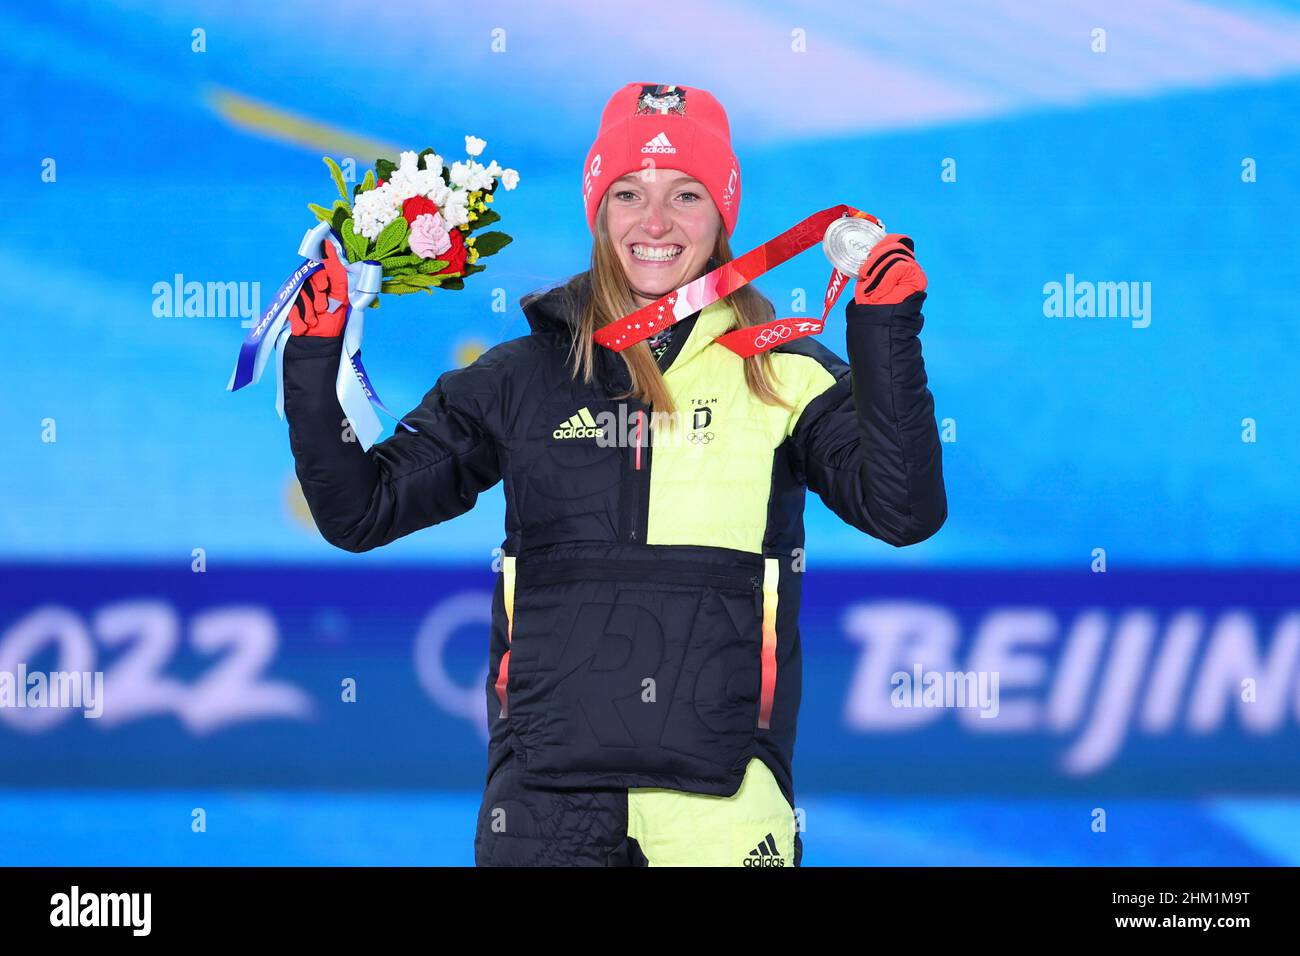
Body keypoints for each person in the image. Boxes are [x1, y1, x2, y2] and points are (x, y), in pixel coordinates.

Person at [281, 81, 946, 866]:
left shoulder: (783, 373)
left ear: (723, 214)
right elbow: (362, 512)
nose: (655, 224)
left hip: (725, 808)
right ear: (599, 209)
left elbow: (904, 512)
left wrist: (884, 332)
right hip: (543, 811)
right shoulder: (518, 377)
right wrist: (316, 355)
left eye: (686, 195)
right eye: (629, 193)